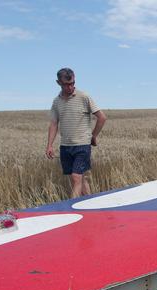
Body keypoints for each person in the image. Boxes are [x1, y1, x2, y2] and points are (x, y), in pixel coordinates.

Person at [45, 67, 107, 198]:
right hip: (66, 146)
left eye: (72, 83)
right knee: (81, 179)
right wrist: (49, 145)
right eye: (66, 84)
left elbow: (102, 117)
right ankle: (91, 204)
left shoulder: (84, 97)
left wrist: (93, 136)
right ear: (58, 83)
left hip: (82, 144)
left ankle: (70, 208)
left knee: (76, 177)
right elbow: (54, 123)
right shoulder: (56, 101)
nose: (70, 87)